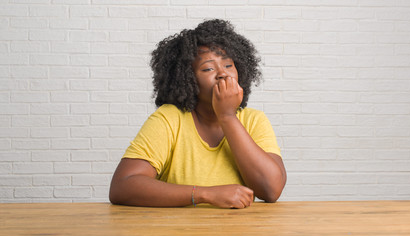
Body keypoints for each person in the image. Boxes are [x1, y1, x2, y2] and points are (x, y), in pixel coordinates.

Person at [109, 19, 286, 209]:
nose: (223, 74)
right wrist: (205, 194)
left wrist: (227, 117)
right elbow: (123, 186)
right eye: (208, 68)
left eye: (228, 65)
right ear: (187, 79)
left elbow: (271, 189)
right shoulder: (169, 119)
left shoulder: (254, 120)